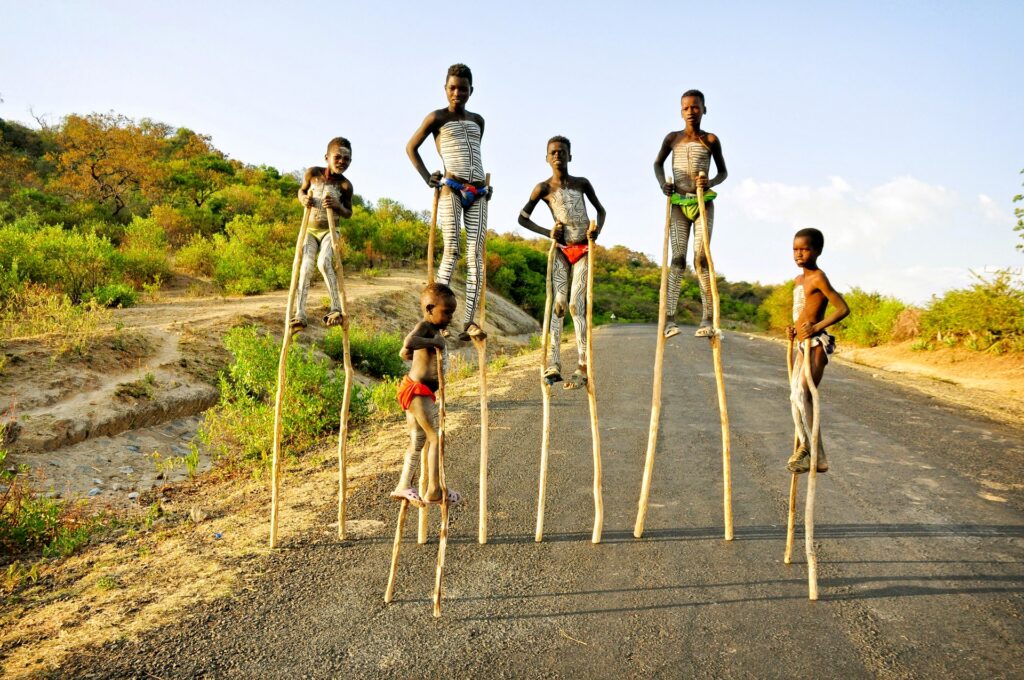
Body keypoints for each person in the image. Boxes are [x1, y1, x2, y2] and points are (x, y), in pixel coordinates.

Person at [406, 63, 492, 341]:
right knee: (452, 249)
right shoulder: (437, 118)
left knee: (476, 256)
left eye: (463, 88)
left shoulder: (478, 120)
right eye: (453, 88)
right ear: (445, 89)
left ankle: (469, 322)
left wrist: (483, 187)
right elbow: (411, 147)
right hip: (451, 188)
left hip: (478, 192)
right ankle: (435, 316)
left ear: (471, 90)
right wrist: (426, 177)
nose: (458, 93)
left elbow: (475, 154)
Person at [518, 136, 606, 389]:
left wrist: (596, 230)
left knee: (576, 304)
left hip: (583, 249)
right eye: (553, 153)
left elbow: (601, 210)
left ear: (570, 156)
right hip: (561, 250)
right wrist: (547, 232)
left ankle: (582, 364)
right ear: (547, 158)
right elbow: (522, 218)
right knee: (558, 305)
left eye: (562, 152)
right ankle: (554, 363)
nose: (557, 156)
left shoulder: (582, 184)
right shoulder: (543, 189)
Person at [653, 89, 728, 338]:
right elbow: (657, 163)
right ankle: (670, 319)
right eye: (686, 108)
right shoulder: (672, 138)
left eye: (695, 107)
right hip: (678, 204)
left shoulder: (711, 140)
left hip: (702, 203)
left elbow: (723, 172)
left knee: (701, 259)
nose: (690, 112)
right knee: (677, 259)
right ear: (680, 111)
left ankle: (707, 318)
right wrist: (663, 183)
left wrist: (711, 183)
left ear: (704, 109)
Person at [390, 283, 462, 506]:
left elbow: (404, 353)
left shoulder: (433, 329)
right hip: (418, 392)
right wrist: (434, 343)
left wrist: (422, 352)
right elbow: (408, 342)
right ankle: (434, 490)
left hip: (419, 391)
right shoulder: (425, 327)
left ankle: (403, 485)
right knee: (436, 437)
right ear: (430, 308)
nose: (450, 317)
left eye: (452, 312)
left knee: (419, 439)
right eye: (446, 312)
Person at [786, 228, 850, 474]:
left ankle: (812, 452)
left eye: (804, 249)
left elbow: (842, 308)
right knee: (795, 397)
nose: (799, 254)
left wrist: (815, 327)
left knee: (804, 393)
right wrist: (794, 330)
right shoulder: (798, 281)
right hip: (802, 344)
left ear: (817, 251)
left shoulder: (819, 277)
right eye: (795, 249)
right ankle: (811, 451)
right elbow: (802, 311)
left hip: (816, 345)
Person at [292, 137, 353, 330]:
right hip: (310, 231)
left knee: (323, 263)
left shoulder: (345, 185)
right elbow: (301, 191)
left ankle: (336, 308)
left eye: (347, 159)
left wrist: (338, 206)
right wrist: (303, 199)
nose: (342, 161)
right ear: (327, 157)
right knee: (306, 266)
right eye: (338, 157)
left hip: (330, 231)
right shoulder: (313, 174)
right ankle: (299, 314)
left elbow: (348, 213)